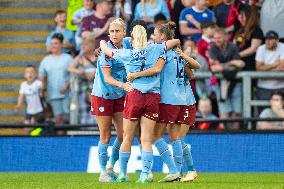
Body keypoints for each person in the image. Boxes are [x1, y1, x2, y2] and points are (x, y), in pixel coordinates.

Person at [100, 25, 180, 183]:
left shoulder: (127, 53)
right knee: (146, 139)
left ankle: (123, 174)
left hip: (135, 95)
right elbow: (175, 41)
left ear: (132, 37)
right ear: (147, 36)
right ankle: (145, 174)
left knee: (127, 137)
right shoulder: (156, 49)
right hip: (153, 97)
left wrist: (103, 42)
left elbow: (108, 51)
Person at [126, 22, 200, 182]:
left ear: (162, 37)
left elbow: (156, 69)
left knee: (156, 136)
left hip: (168, 99)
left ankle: (175, 171)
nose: (153, 37)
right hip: (183, 100)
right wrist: (184, 57)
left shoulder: (163, 53)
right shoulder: (178, 54)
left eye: (155, 34)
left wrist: (135, 75)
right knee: (175, 137)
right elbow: (192, 74)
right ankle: (186, 170)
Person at [90, 18, 132, 182]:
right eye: (112, 31)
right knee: (105, 135)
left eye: (117, 31)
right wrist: (124, 85)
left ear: (124, 33)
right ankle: (102, 173)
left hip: (119, 95)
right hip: (103, 95)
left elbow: (138, 40)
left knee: (123, 134)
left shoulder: (128, 44)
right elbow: (107, 78)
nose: (114, 34)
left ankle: (110, 166)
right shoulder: (105, 52)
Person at [208, 27, 245, 129]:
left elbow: (240, 64)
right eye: (215, 38)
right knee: (224, 112)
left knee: (236, 112)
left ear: (225, 37)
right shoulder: (213, 48)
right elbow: (214, 67)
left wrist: (223, 66)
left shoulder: (233, 47)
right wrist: (232, 63)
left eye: (219, 38)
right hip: (220, 83)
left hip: (234, 81)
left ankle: (236, 136)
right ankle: (225, 136)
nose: (216, 40)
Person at [39, 33, 73, 125]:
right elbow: (41, 76)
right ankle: (60, 138)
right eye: (52, 43)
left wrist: (66, 86)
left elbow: (73, 75)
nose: (53, 46)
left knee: (68, 118)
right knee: (58, 119)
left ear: (61, 44)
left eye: (56, 43)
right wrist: (42, 87)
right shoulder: (45, 60)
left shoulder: (68, 58)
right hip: (53, 94)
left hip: (67, 94)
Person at [68, 36, 97, 124]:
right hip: (83, 89)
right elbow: (70, 68)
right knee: (83, 109)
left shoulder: (98, 56)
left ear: (92, 46)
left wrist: (95, 72)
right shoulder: (80, 57)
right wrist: (80, 71)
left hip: (96, 89)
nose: (83, 47)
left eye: (85, 45)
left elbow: (106, 67)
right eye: (82, 45)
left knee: (96, 108)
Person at [255, 30, 284, 109]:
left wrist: (266, 71)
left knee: (280, 114)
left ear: (277, 41)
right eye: (266, 39)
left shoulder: (283, 47)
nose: (267, 41)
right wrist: (275, 64)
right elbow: (258, 68)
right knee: (263, 114)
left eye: (271, 39)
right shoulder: (261, 48)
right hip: (263, 87)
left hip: (280, 86)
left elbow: (282, 68)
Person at [233, 5, 263, 71]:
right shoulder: (240, 30)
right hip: (238, 64)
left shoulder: (256, 30)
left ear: (249, 16)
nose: (239, 17)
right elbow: (234, 45)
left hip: (250, 65)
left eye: (242, 15)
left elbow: (253, 49)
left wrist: (237, 55)